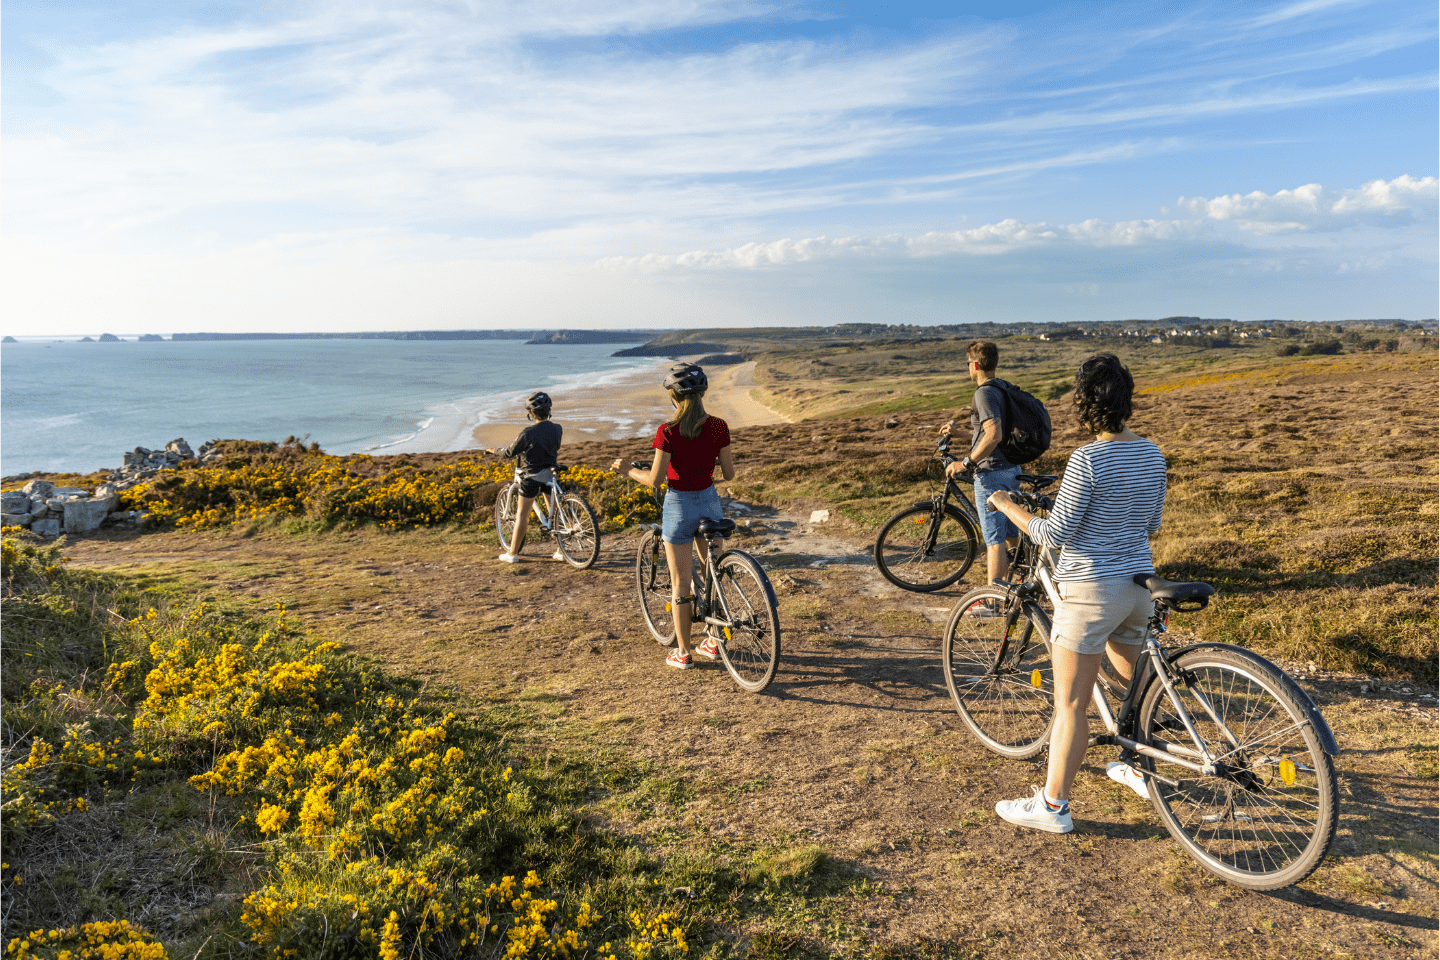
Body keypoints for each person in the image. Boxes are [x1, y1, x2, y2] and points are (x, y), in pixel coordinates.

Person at [984, 353, 1166, 833]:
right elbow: (1151, 524)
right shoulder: (1153, 453)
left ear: (1084, 405)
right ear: (1126, 399)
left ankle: (1054, 806)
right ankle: (1135, 764)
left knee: (1070, 705)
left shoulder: (1087, 459)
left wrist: (1006, 504)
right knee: (1135, 690)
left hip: (1090, 592)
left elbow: (1052, 534)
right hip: (1138, 587)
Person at [612, 363, 736, 670]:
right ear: (702, 393)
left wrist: (628, 469)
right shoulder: (719, 426)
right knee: (714, 573)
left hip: (680, 505)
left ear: (674, 397)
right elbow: (730, 473)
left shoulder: (667, 431)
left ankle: (682, 652)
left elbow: (655, 480)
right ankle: (715, 640)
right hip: (710, 501)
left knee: (681, 582)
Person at [942, 340, 1021, 593]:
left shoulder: (983, 392)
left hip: (992, 473)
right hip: (1011, 469)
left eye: (968, 364)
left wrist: (965, 463)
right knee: (1010, 532)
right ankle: (1022, 583)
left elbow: (994, 435)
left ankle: (994, 600)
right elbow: (988, 431)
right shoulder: (1003, 388)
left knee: (994, 539)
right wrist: (961, 433)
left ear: (975, 365)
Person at [490, 391, 564, 564]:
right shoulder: (557, 428)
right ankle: (561, 550)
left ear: (531, 413)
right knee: (555, 513)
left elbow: (509, 452)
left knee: (522, 515)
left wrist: (493, 450)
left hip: (532, 476)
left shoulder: (527, 433)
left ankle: (513, 553)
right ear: (549, 411)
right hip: (551, 473)